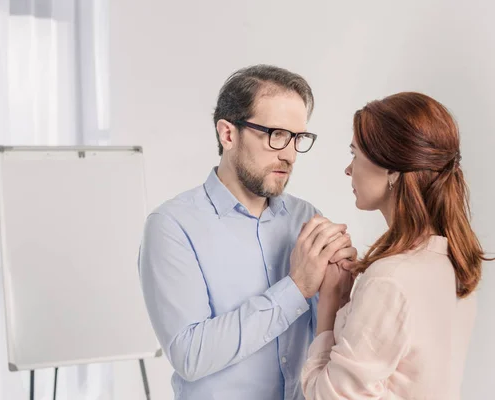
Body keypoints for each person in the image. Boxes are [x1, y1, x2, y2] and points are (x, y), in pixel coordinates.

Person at [138, 64, 357, 400]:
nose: (289, 154)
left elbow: (326, 338)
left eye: (297, 138)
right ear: (228, 134)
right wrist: (296, 288)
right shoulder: (172, 226)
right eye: (276, 135)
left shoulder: (306, 217)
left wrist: (342, 291)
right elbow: (190, 355)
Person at [301, 92, 492, 399]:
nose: (348, 170)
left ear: (391, 169)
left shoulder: (390, 278)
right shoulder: (455, 264)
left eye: (355, 154)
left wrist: (330, 306)